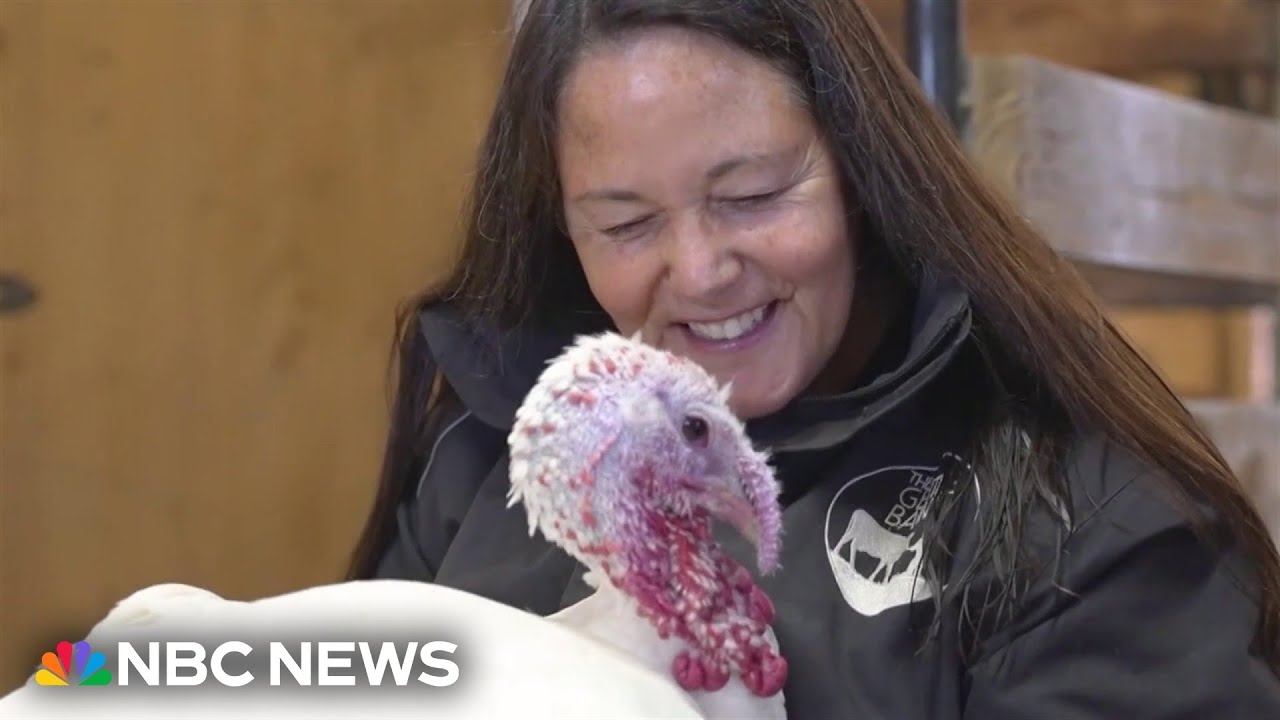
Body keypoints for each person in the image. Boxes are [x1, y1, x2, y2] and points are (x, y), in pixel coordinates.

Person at [345, 0, 1280, 716]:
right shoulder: (487, 444)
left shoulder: (1086, 523)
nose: (703, 272)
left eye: (751, 194)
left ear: (862, 168)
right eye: (627, 223)